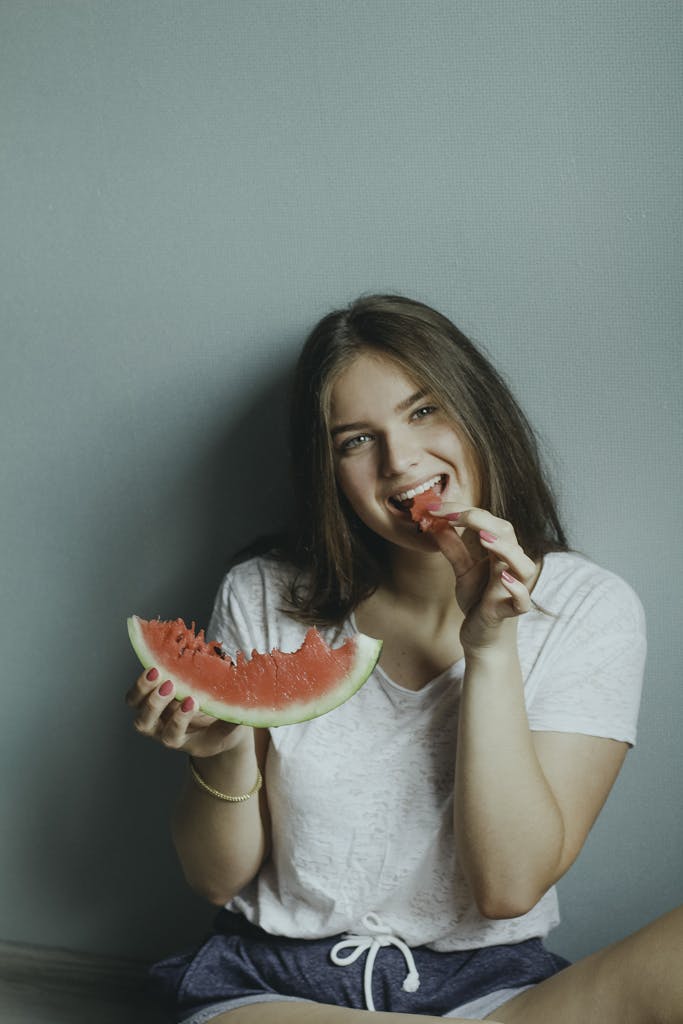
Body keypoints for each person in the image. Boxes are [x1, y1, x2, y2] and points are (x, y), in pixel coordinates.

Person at [127, 295, 682, 1024]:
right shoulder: (261, 593)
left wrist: (488, 649)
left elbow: (507, 887)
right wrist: (222, 752)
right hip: (274, 989)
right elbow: (213, 878)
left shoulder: (589, 606)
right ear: (328, 469)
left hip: (489, 991)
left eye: (424, 412)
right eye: (356, 440)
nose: (401, 461)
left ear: (479, 413)